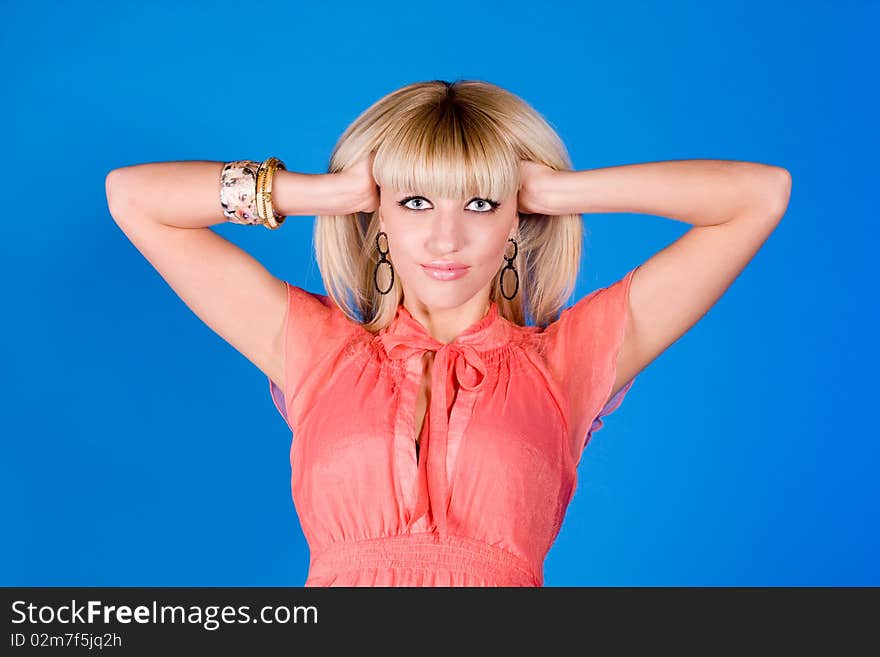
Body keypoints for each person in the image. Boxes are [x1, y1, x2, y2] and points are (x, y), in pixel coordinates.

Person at [105, 79, 791, 586]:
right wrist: (328, 194)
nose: (445, 235)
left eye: (481, 204)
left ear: (512, 221)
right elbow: (135, 198)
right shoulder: (317, 351)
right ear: (380, 218)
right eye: (414, 201)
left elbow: (757, 196)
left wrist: (556, 194)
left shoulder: (567, 364)